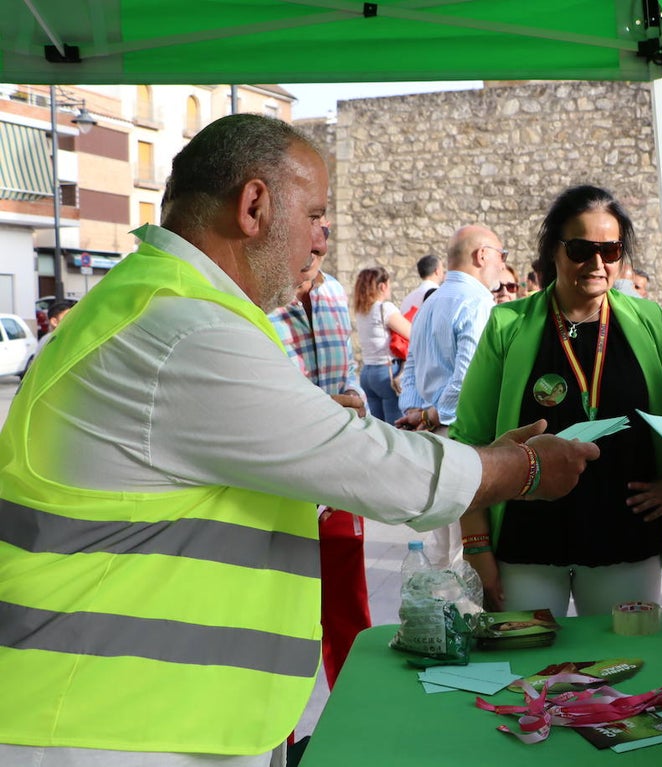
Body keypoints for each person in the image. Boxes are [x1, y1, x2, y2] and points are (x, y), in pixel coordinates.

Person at [0, 113, 598, 767]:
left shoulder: (154, 304)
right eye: (314, 214)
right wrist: (520, 470)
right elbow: (377, 470)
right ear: (253, 204)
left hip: (137, 715)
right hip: (106, 726)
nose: (323, 238)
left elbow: (190, 500)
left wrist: (310, 433)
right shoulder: (184, 327)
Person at [450, 184, 662, 618]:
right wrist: (476, 544)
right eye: (581, 248)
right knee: (530, 675)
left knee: (625, 677)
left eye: (611, 249)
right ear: (554, 251)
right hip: (526, 543)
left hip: (626, 540)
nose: (597, 263)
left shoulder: (648, 321)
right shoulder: (508, 324)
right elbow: (469, 438)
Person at [267, 228, 372, 691]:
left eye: (323, 229)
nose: (318, 244)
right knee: (279, 622)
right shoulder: (256, 301)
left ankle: (357, 723)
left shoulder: (332, 292)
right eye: (306, 227)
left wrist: (353, 394)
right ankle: (278, 749)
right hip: (281, 486)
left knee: (349, 611)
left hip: (338, 478)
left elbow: (348, 367)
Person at [397, 224, 508, 567]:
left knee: (443, 545)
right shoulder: (476, 302)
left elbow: (411, 369)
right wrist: (432, 413)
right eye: (501, 258)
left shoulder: (432, 302)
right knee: (468, 549)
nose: (502, 267)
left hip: (431, 432)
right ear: (482, 255)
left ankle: (442, 616)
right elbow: (469, 376)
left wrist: (417, 411)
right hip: (462, 432)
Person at [352, 266, 412, 424]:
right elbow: (412, 333)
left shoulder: (361, 311)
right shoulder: (385, 308)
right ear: (382, 286)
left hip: (367, 373)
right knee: (396, 427)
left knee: (378, 427)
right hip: (387, 372)